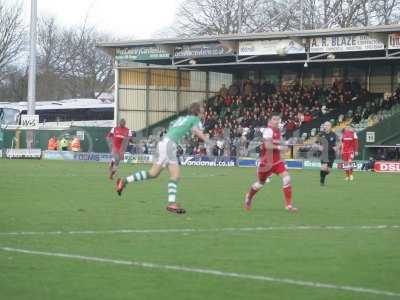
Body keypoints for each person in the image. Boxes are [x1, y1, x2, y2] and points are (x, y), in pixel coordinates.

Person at [116, 102, 209, 214]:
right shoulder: (195, 119)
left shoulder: (181, 118)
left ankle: (124, 181)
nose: (203, 113)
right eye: (202, 111)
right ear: (197, 112)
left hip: (164, 143)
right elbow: (195, 130)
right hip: (169, 145)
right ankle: (171, 203)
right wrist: (207, 139)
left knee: (153, 173)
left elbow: (171, 127)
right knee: (175, 175)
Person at [244, 113, 298, 213]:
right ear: (270, 121)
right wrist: (280, 147)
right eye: (274, 119)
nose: (277, 121)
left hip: (277, 162)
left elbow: (280, 143)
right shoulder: (268, 131)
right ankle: (249, 197)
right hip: (266, 163)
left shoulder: (278, 131)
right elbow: (268, 145)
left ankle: (289, 205)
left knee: (287, 178)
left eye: (278, 120)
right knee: (260, 183)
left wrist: (286, 145)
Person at [317, 121, 338, 186]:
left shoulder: (334, 134)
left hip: (331, 154)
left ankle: (323, 176)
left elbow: (339, 142)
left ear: (330, 126)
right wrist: (319, 146)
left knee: (328, 170)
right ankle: (322, 181)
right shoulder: (321, 134)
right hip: (324, 153)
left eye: (327, 125)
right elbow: (315, 143)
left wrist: (337, 147)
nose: (325, 126)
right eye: (325, 125)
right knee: (323, 167)